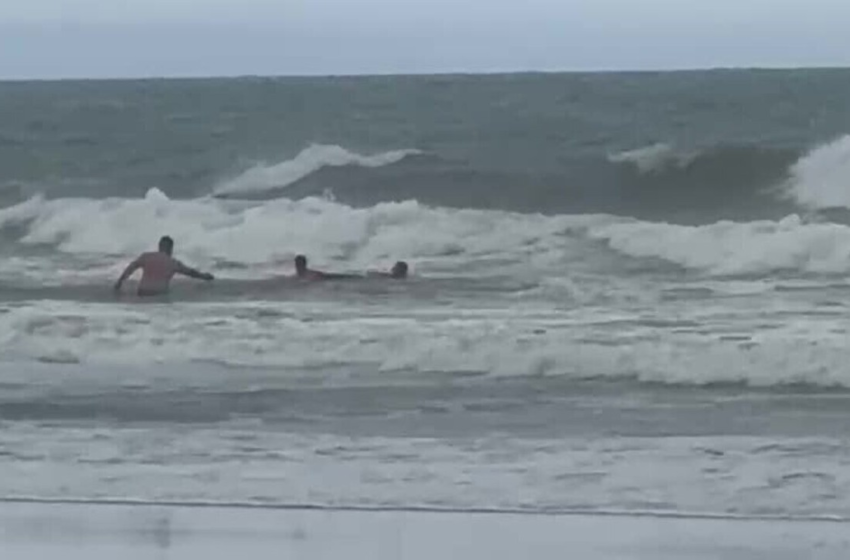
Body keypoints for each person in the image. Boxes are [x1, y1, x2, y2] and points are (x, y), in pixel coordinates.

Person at [113, 236, 214, 296]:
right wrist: (205, 276)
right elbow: (191, 273)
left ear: (159, 246)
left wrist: (119, 282)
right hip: (159, 294)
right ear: (171, 248)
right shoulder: (173, 263)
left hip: (143, 292)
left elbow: (130, 268)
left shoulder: (146, 257)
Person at [293, 254, 359, 280]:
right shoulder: (299, 275)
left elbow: (319, 277)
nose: (297, 265)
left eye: (298, 264)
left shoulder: (308, 274)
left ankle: (356, 276)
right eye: (297, 264)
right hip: (324, 276)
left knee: (345, 277)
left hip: (326, 277)